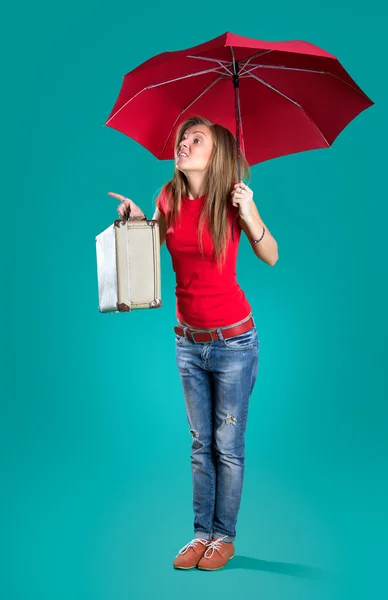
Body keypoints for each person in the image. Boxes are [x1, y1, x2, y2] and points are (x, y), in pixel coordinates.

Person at [108, 116, 278, 571]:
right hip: (188, 342)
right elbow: (154, 246)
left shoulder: (231, 198)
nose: (184, 144)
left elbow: (271, 255)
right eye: (183, 139)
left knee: (228, 446)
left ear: (216, 152)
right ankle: (201, 534)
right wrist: (139, 221)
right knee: (201, 444)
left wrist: (250, 212)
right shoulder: (169, 196)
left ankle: (224, 537)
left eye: (196, 139)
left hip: (234, 343)